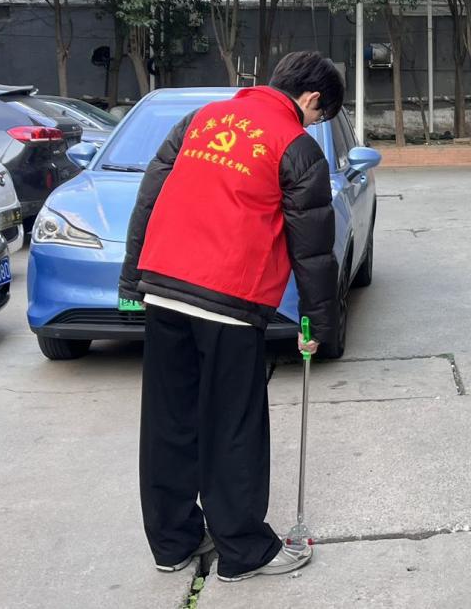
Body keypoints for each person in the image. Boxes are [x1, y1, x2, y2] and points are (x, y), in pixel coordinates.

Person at [119, 52, 344, 581]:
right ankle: (244, 551)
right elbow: (312, 249)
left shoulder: (199, 120)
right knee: (233, 427)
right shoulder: (296, 146)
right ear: (311, 98)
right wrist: (320, 326)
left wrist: (132, 282)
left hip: (165, 290)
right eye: (319, 115)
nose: (313, 123)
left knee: (169, 422)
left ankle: (172, 543)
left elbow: (149, 198)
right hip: (230, 300)